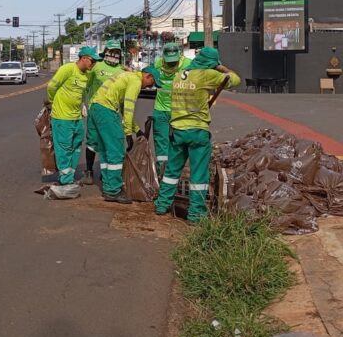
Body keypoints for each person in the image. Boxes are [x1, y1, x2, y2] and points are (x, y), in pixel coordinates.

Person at [154, 47, 240, 222]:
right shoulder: (207, 75)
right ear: (212, 62)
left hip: (177, 129)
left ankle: (162, 205)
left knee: (172, 171)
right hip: (197, 131)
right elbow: (236, 80)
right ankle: (196, 214)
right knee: (199, 174)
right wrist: (220, 68)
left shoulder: (180, 75)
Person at [87, 66, 161, 204]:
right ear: (148, 76)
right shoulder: (136, 82)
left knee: (105, 150)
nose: (150, 87)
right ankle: (113, 190)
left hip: (95, 108)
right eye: (152, 83)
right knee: (116, 151)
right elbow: (128, 108)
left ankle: (108, 186)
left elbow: (122, 106)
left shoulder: (127, 76)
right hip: (106, 110)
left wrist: (136, 129)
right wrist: (128, 134)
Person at [46, 46, 101, 187]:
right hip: (62, 116)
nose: (93, 63)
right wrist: (52, 102)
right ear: (83, 58)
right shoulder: (68, 69)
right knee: (64, 148)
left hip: (76, 117)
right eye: (92, 60)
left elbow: (83, 92)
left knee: (76, 146)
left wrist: (83, 104)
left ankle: (69, 175)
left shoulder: (86, 75)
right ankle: (65, 180)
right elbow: (52, 87)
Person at [80, 40, 126, 185]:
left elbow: (123, 95)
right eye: (111, 51)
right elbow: (85, 85)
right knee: (93, 141)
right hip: (95, 108)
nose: (114, 54)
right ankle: (89, 171)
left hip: (112, 110)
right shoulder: (97, 66)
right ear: (105, 51)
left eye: (117, 52)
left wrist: (124, 115)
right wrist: (83, 103)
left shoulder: (121, 70)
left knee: (108, 142)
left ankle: (106, 173)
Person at [152, 42, 192, 180]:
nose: (171, 64)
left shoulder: (188, 64)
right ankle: (161, 171)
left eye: (173, 61)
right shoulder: (157, 64)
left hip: (179, 110)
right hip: (160, 109)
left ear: (179, 55)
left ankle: (174, 171)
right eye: (168, 62)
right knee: (161, 142)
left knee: (178, 142)